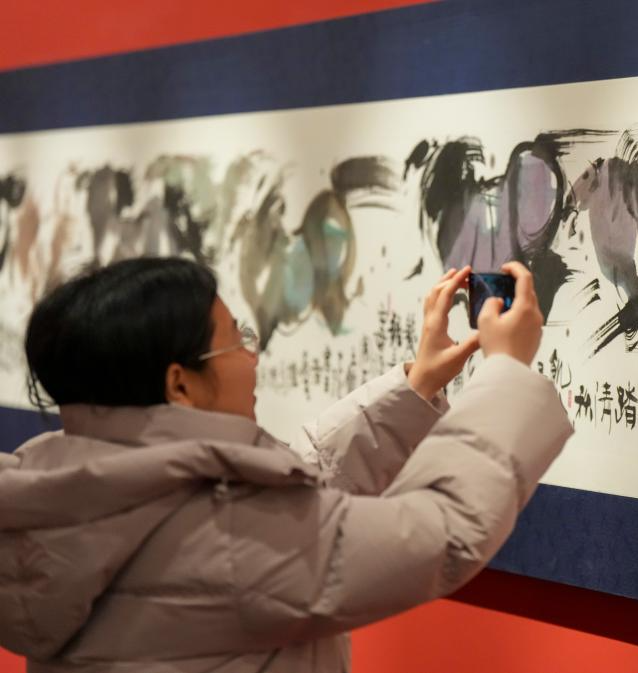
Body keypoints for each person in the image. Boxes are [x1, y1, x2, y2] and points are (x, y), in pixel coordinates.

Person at [0, 256, 573, 673]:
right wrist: (506, 371)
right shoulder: (227, 530)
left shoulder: (62, 489)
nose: (252, 357)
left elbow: (291, 483)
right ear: (180, 384)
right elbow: (441, 532)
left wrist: (416, 385)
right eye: (236, 341)